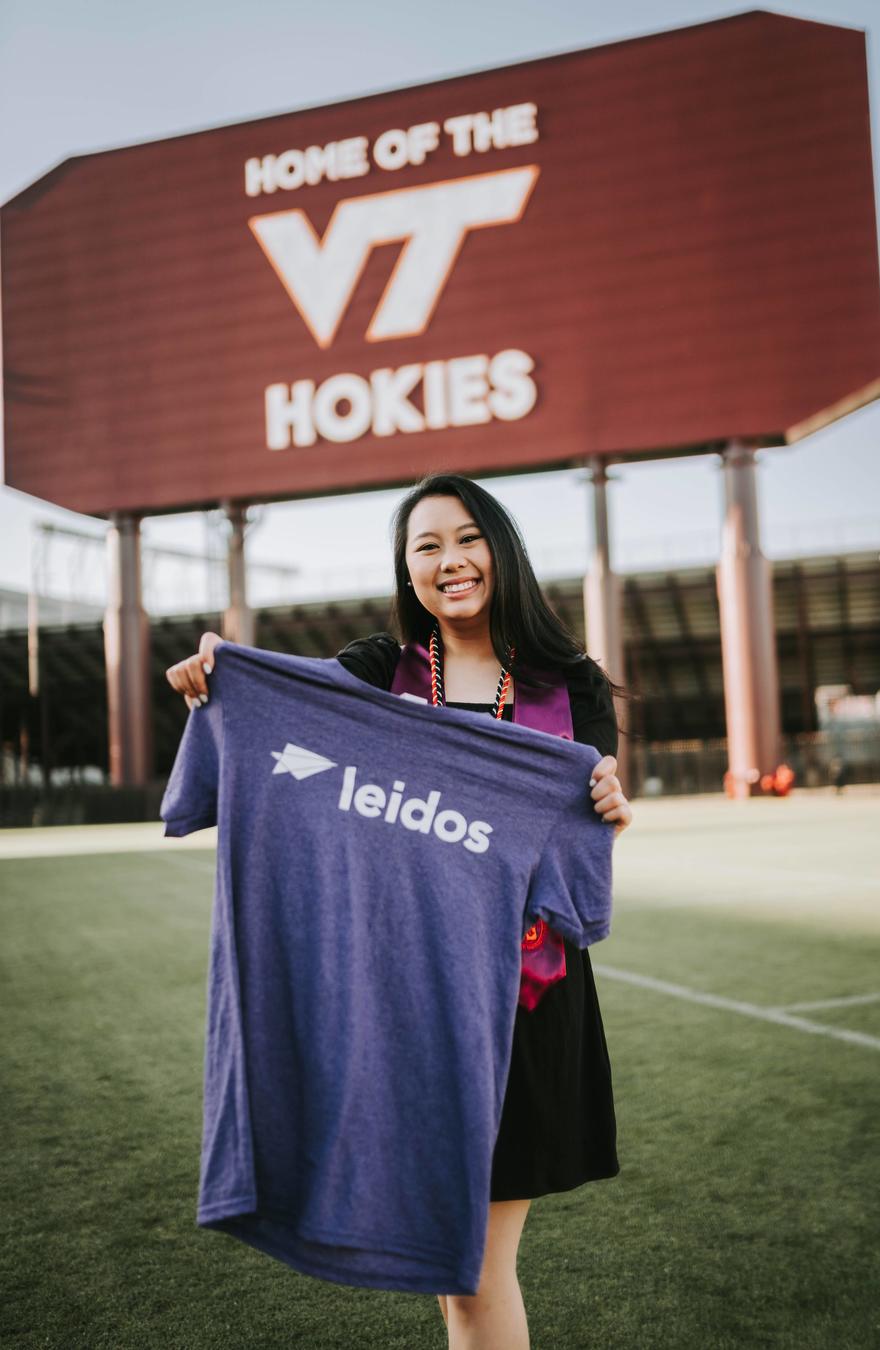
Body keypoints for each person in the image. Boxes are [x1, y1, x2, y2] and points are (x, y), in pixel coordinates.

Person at [166, 471, 633, 1350]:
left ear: (501, 549)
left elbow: (577, 851)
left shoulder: (571, 685)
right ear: (407, 571)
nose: (450, 561)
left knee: (473, 1272)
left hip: (526, 1004)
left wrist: (607, 800)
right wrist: (219, 677)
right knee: (452, 1274)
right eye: (427, 547)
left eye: (467, 537)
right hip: (408, 997)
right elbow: (287, 712)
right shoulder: (379, 671)